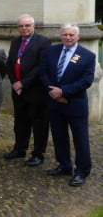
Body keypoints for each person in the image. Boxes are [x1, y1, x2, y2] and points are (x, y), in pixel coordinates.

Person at [41, 24, 95, 187]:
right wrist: (54, 93)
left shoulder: (87, 56)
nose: (68, 38)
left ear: (77, 37)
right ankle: (64, 165)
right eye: (65, 34)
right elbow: (44, 73)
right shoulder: (52, 51)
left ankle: (82, 171)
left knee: (80, 139)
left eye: (71, 35)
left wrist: (63, 92)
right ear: (61, 35)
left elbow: (86, 81)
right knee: (59, 136)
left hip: (75, 104)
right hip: (54, 103)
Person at [4, 14, 51, 167]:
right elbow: (10, 63)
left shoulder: (43, 42)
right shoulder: (15, 41)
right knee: (20, 122)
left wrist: (23, 83)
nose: (24, 28)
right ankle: (19, 149)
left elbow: (40, 66)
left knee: (39, 124)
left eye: (27, 25)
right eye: (21, 26)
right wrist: (14, 83)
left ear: (33, 26)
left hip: (35, 90)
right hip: (18, 90)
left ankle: (38, 154)